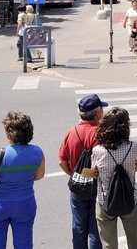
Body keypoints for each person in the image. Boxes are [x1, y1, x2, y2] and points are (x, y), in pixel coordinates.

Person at [0, 111, 46, 249]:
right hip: (25, 204)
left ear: (9, 134)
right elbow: (39, 176)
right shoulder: (38, 152)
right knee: (24, 244)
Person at [58, 94, 108, 249]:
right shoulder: (102, 133)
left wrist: (75, 174)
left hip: (78, 187)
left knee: (79, 228)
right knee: (96, 229)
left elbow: (62, 161)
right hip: (97, 186)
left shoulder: (71, 132)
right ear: (98, 113)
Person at [91, 108, 137, 249]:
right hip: (130, 198)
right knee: (136, 242)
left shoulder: (98, 151)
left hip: (105, 201)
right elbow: (134, 167)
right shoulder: (134, 147)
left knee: (109, 245)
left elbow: (94, 172)